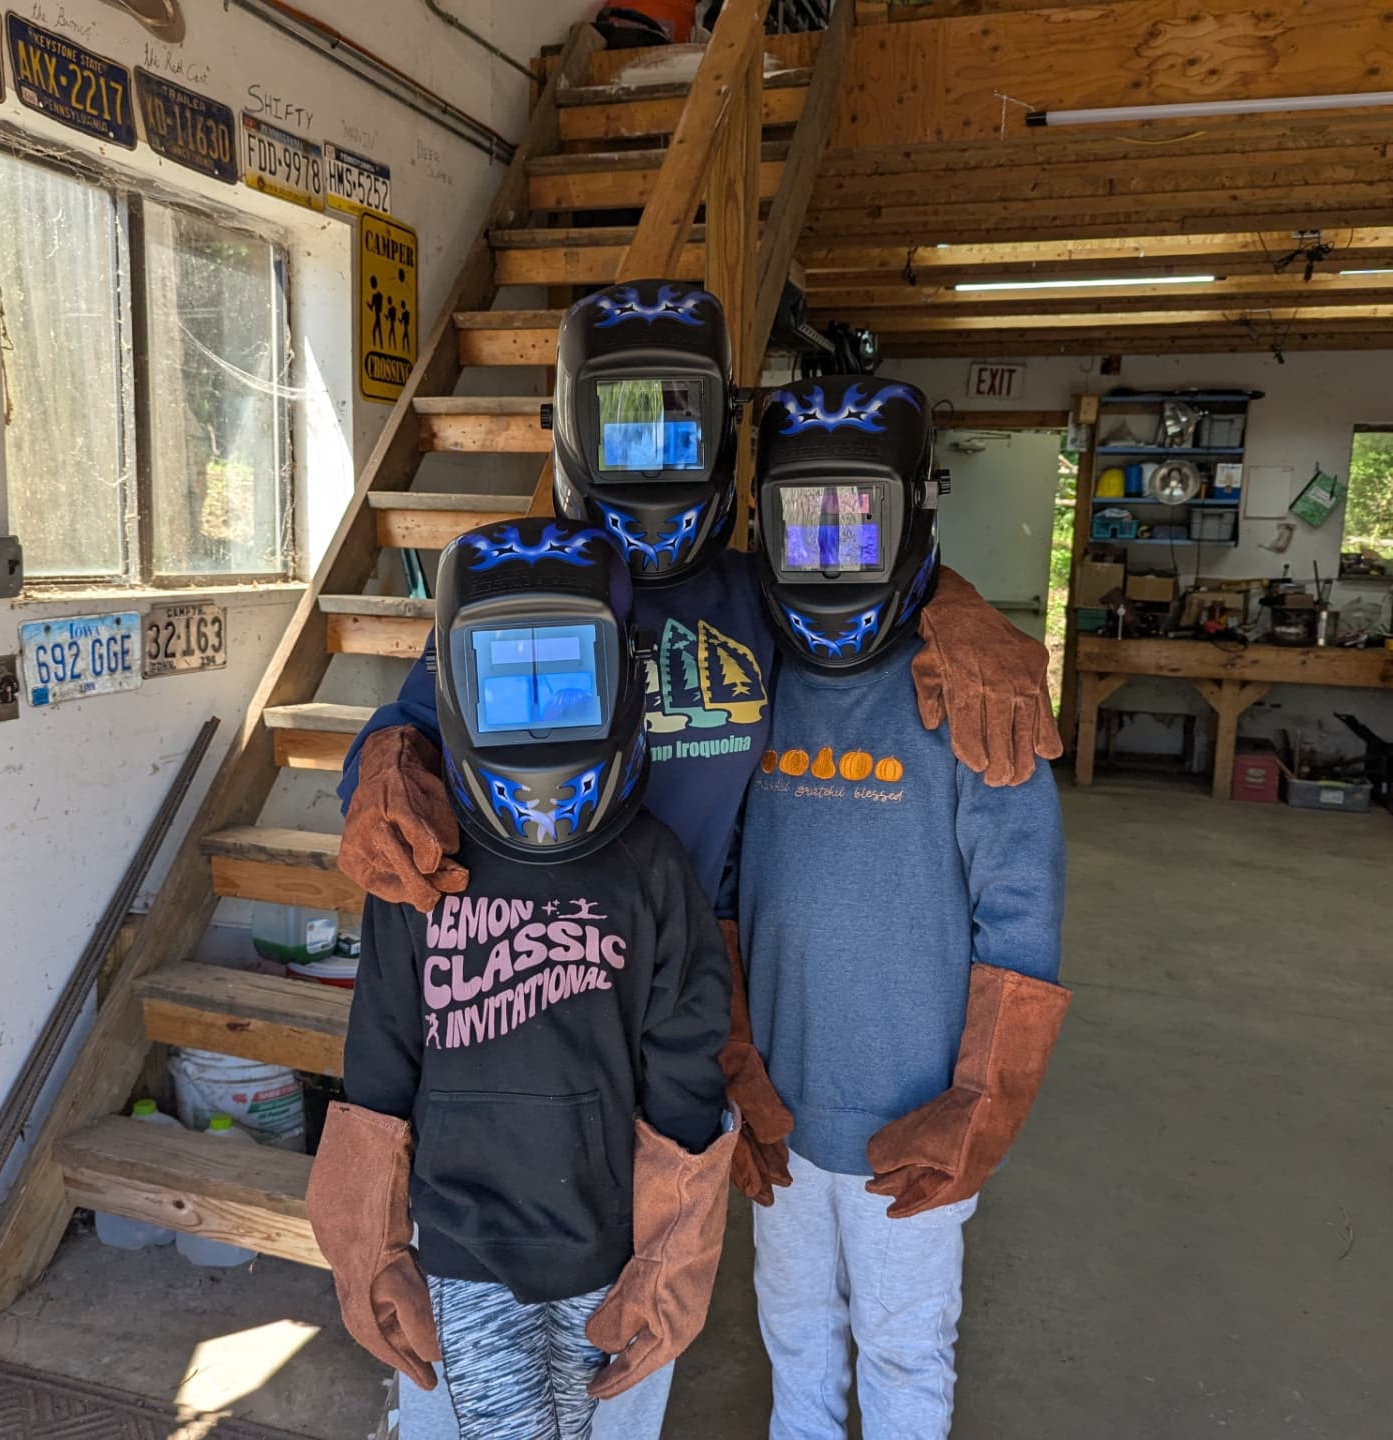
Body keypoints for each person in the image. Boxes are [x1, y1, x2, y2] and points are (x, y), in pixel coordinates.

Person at [336, 280, 1061, 1440]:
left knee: (634, 1345)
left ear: (725, 433)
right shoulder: (540, 584)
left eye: (677, 424)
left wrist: (961, 607)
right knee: (474, 1376)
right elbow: (425, 721)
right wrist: (381, 762)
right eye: (624, 425)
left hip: (677, 1009)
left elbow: (860, 561)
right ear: (570, 427)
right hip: (519, 1004)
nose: (654, 463)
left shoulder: (755, 595)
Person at [306, 518, 736, 1440]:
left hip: (608, 1250)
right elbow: (379, 1053)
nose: (538, 708)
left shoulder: (652, 868)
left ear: (622, 675)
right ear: (452, 686)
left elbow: (686, 1068)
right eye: (506, 676)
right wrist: (370, 1242)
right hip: (455, 1252)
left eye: (567, 674)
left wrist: (674, 1253)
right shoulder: (419, 861)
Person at [740, 374, 1070, 1440]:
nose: (832, 553)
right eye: (805, 522)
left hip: (914, 1120)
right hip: (780, 1107)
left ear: (916, 508)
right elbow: (717, 883)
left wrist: (980, 1097)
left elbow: (1022, 913)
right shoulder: (743, 677)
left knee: (903, 1347)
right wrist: (732, 1056)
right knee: (794, 1335)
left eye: (860, 519)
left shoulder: (974, 694)